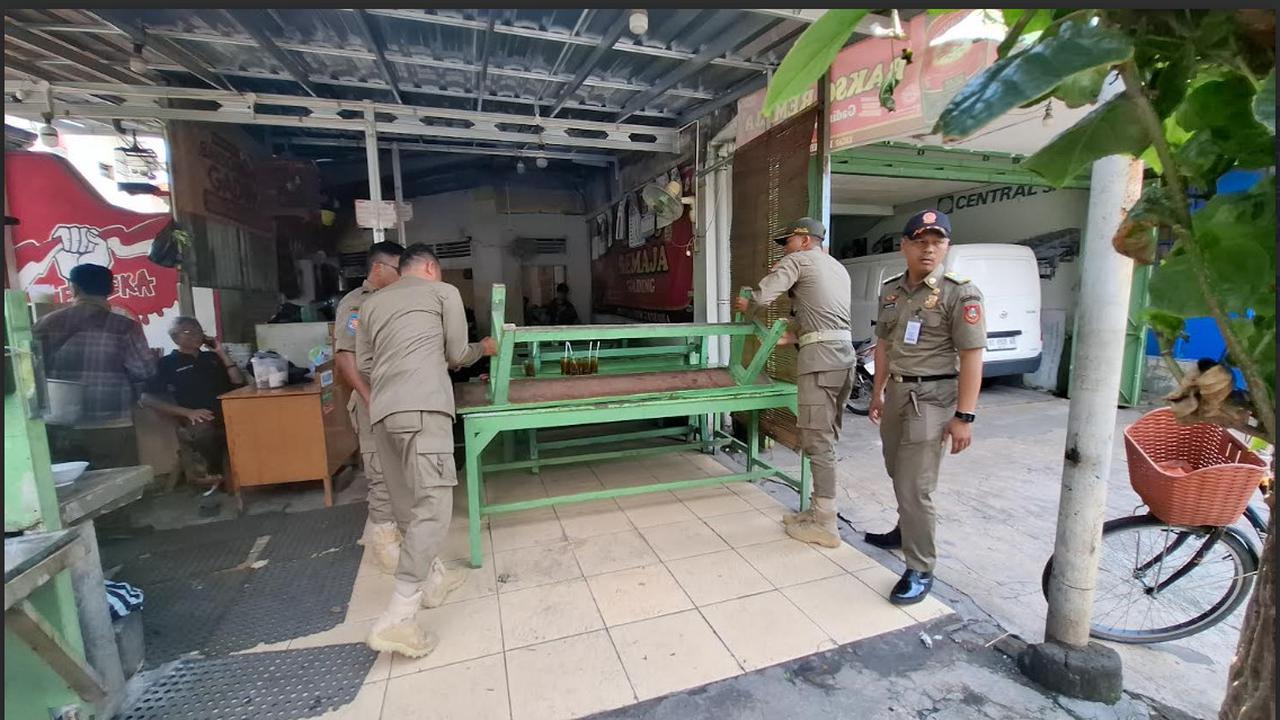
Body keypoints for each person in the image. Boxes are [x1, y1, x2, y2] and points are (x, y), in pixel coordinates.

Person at [356, 243, 497, 658]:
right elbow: (457, 354)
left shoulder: (372, 304)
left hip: (382, 414)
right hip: (424, 409)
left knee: (406, 507)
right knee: (433, 508)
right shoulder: (443, 293)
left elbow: (365, 363)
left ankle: (433, 578)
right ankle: (398, 617)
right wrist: (483, 349)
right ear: (432, 268)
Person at [864, 209, 985, 605]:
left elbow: (971, 356)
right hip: (897, 393)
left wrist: (964, 417)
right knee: (896, 471)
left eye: (937, 242)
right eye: (920, 241)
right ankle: (904, 531)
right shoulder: (892, 290)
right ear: (905, 246)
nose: (929, 249)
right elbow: (883, 344)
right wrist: (877, 391)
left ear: (947, 246)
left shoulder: (959, 293)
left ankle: (920, 566)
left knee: (916, 486)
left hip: (932, 400)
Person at [734, 218, 854, 549]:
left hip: (821, 362)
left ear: (803, 240)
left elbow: (763, 296)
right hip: (844, 357)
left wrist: (749, 305)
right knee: (825, 438)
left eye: (787, 242)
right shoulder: (835, 267)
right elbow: (823, 312)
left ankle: (825, 523)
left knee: (818, 441)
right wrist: (797, 335)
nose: (784, 248)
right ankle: (817, 510)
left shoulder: (798, 259)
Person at [34, 263, 156, 469]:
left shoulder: (45, 324)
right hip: (111, 422)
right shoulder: (125, 327)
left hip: (60, 424)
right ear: (111, 289)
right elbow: (144, 370)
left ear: (74, 288)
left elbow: (32, 371)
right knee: (120, 488)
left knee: (70, 490)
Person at [333, 241, 405, 574]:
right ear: (378, 268)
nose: (402, 276)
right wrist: (368, 395)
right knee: (380, 472)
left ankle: (402, 536)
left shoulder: (397, 300)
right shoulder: (357, 305)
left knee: (403, 468)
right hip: (373, 399)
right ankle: (385, 545)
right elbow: (345, 355)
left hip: (400, 398)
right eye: (397, 268)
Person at [140, 317, 245, 487]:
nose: (196, 335)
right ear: (175, 338)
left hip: (228, 410)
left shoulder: (212, 357)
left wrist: (221, 352)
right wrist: (187, 412)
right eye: (189, 332)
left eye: (199, 331)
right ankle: (214, 472)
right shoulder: (167, 363)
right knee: (204, 431)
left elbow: (238, 382)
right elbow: (146, 398)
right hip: (196, 416)